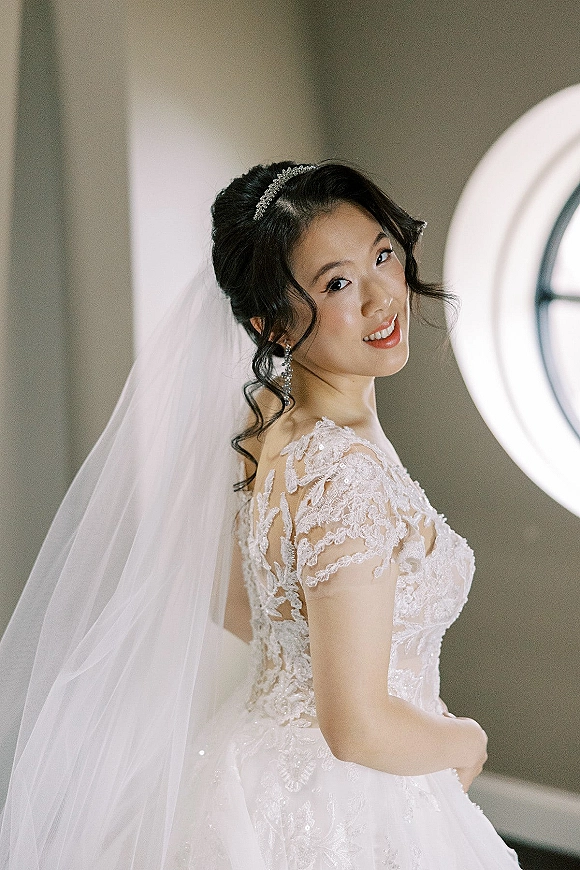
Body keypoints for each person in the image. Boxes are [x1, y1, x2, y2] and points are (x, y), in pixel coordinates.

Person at [0, 161, 520, 869]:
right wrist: (464, 739)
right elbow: (356, 728)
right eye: (337, 283)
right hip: (344, 810)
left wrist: (315, 655)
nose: (381, 296)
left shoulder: (270, 422)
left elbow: (239, 601)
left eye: (382, 254)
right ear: (271, 323)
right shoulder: (344, 475)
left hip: (252, 772)